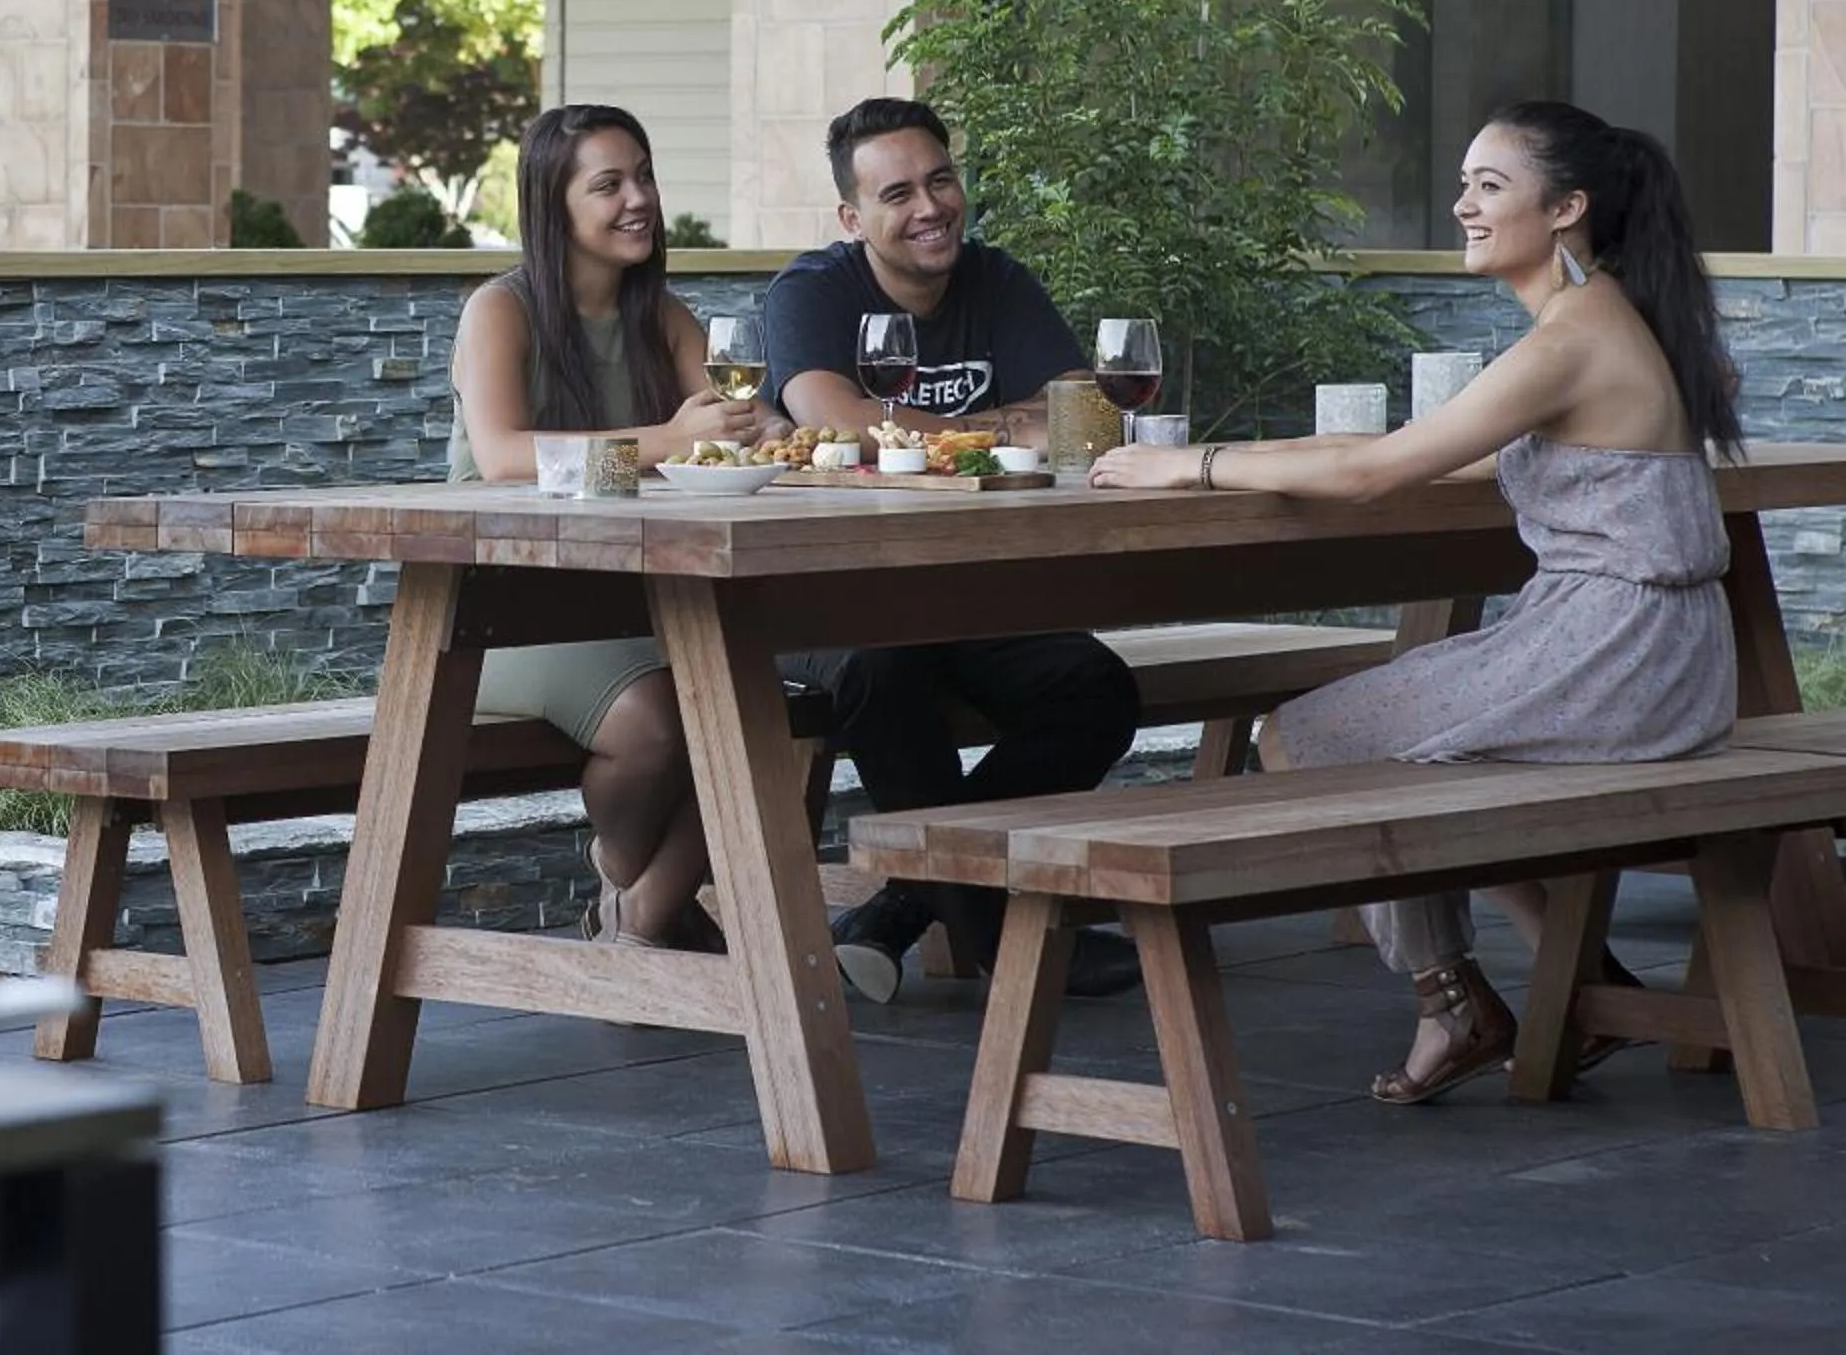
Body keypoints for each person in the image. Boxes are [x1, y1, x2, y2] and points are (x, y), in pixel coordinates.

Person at [1094, 101, 1739, 1104]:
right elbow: (1410, 456)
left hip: (1623, 654)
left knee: (1305, 736)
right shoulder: (1596, 321)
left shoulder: (1570, 341)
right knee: (1406, 738)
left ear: (1566, 207)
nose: (1463, 206)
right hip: (1649, 648)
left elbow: (1374, 474)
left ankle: (1457, 1004)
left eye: (1491, 186)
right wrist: (1214, 460)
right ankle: (1586, 983)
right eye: (1466, 183)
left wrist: (1190, 466)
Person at [762, 98, 1144, 1003]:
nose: (931, 206)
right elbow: (838, 423)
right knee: (881, 669)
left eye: (941, 179)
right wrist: (1001, 424)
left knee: (1095, 689)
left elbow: (1084, 419)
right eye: (898, 193)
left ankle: (899, 911)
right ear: (854, 220)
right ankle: (1001, 938)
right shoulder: (813, 293)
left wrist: (917, 428)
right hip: (816, 592)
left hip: (952, 589)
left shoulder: (996, 281)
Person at [450, 105, 768, 949]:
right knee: (659, 719)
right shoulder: (501, 310)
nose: (640, 199)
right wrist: (670, 441)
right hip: (498, 607)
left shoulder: (660, 313)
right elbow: (503, 459)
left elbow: (744, 421)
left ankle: (643, 912)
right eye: (609, 184)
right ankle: (636, 889)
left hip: (631, 598)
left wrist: (773, 434)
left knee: (767, 702)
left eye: (645, 176)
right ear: (554, 208)